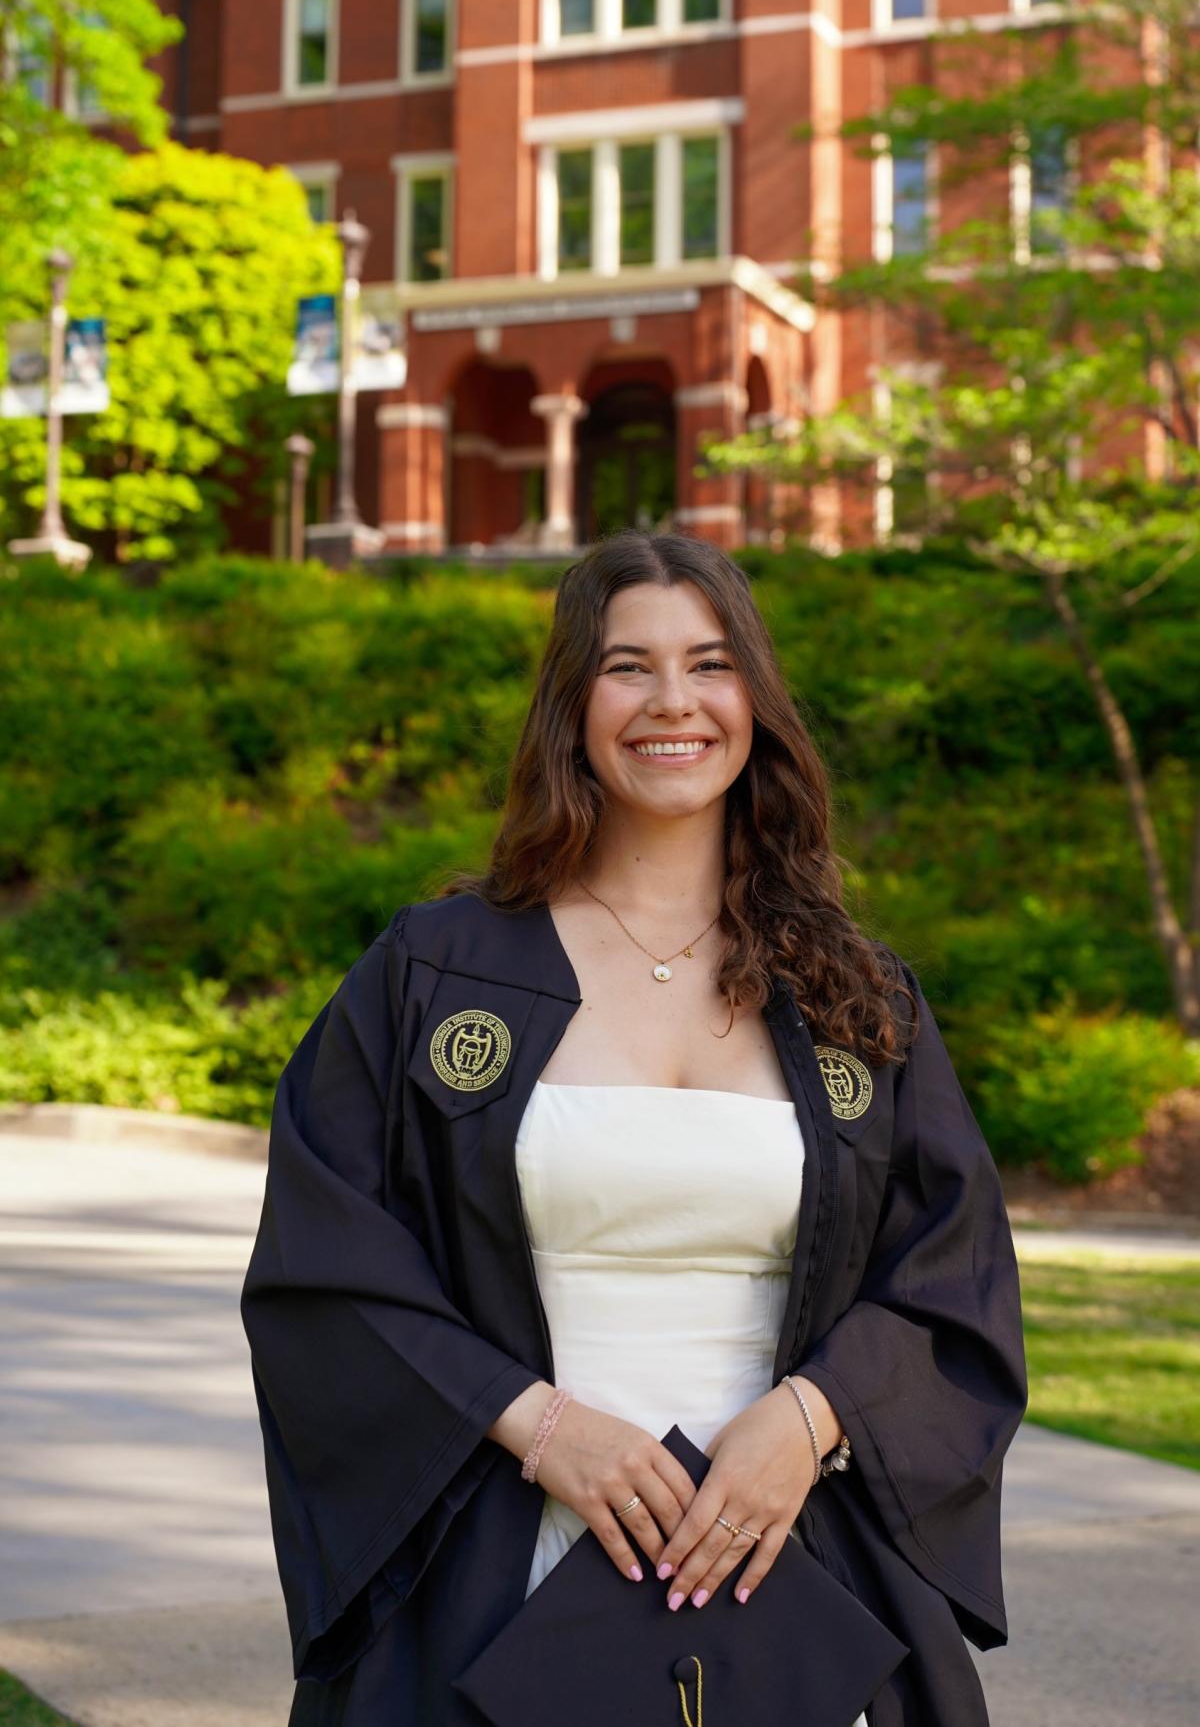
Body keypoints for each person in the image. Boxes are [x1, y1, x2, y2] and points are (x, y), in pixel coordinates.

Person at [241, 531, 1028, 1727]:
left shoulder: (852, 998)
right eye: (628, 666)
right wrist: (542, 1427)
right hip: (499, 1536)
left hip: (789, 1549)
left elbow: (952, 1280)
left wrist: (810, 1422)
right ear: (573, 705)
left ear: (753, 700)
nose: (674, 703)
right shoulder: (438, 976)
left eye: (709, 665)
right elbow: (326, 1265)